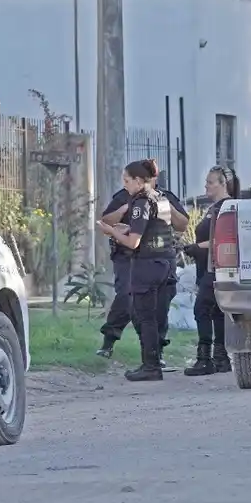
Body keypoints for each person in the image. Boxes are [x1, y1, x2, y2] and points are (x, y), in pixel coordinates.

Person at [96, 159, 176, 382]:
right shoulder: (161, 198)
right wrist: (127, 228)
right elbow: (154, 229)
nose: (125, 185)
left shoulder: (142, 201)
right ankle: (154, 361)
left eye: (127, 180)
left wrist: (112, 232)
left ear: (139, 181)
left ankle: (150, 366)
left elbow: (133, 243)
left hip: (147, 265)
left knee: (144, 317)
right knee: (155, 316)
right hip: (164, 263)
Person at [183, 166, 239, 376]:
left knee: (202, 309)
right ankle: (221, 358)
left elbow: (226, 239)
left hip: (216, 268)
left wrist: (198, 247)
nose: (206, 186)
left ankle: (204, 359)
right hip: (207, 267)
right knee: (216, 312)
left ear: (223, 184)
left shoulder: (227, 207)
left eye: (210, 182)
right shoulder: (214, 208)